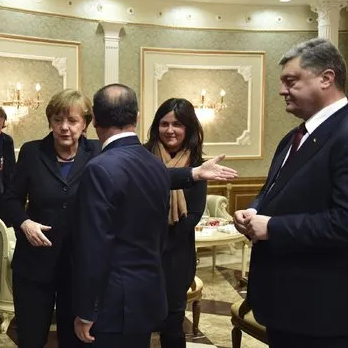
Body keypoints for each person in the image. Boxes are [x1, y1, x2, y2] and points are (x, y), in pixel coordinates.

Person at [71, 84, 238, 348]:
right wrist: (194, 174)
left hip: (113, 303)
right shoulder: (153, 164)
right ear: (137, 118)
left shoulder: (99, 168)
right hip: (149, 293)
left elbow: (94, 247)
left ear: (95, 121)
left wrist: (86, 309)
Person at [234, 38, 348, 348]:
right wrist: (254, 210)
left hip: (323, 313)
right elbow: (273, 193)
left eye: (290, 81)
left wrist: (272, 228)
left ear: (326, 78)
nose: (282, 90)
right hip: (286, 306)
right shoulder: (294, 136)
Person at [2, 89, 99, 348]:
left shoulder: (98, 152)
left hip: (78, 267)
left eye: (73, 121)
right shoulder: (32, 152)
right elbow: (10, 199)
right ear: (50, 122)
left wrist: (191, 174)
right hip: (35, 264)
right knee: (32, 338)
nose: (64, 127)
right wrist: (24, 222)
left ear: (85, 124)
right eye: (58, 120)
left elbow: (139, 168)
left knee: (75, 340)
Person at [144, 98, 207, 348]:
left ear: (188, 129)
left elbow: (195, 214)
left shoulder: (198, 164)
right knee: (141, 320)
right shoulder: (143, 155)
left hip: (177, 256)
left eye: (177, 124)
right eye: (164, 123)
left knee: (173, 323)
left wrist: (163, 236)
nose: (170, 130)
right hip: (143, 253)